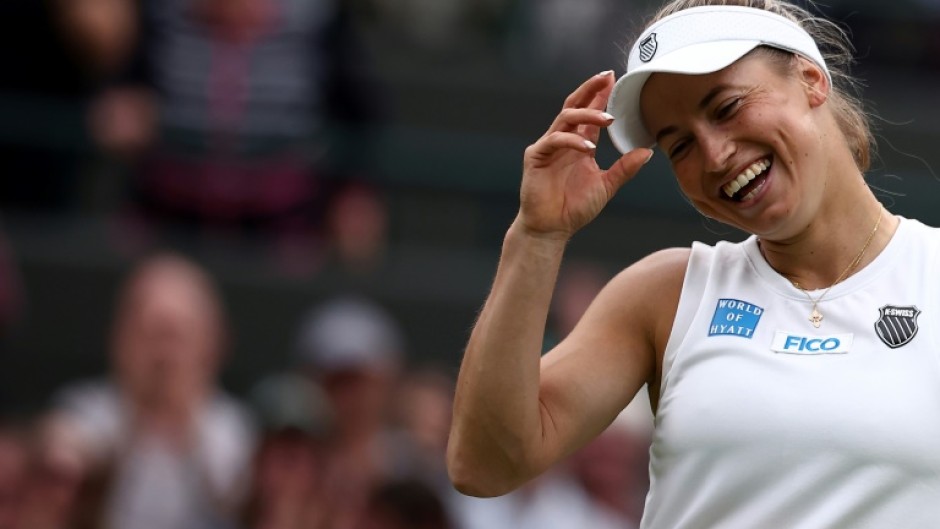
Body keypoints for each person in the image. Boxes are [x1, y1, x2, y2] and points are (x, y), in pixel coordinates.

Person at [446, 1, 940, 527]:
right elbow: (485, 465)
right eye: (678, 145)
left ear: (811, 80)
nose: (715, 154)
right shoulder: (664, 293)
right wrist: (537, 235)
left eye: (726, 107)